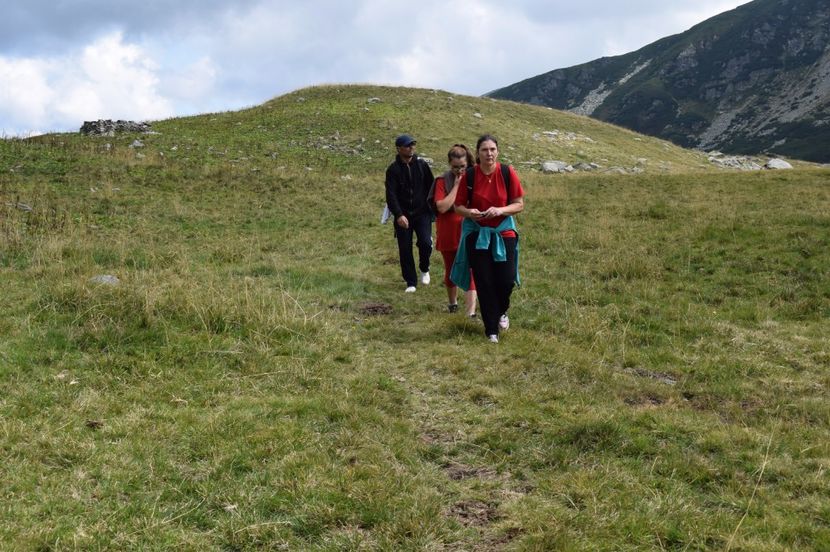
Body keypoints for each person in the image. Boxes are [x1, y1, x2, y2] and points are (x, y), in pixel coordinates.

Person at [451, 134, 524, 343]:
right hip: (477, 233)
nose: (489, 153)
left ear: (497, 152)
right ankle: (491, 329)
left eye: (492, 149)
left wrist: (500, 210)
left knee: (506, 279)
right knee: (484, 281)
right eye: (484, 150)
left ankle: (501, 311)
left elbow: (519, 204)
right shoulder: (470, 176)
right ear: (478, 153)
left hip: (504, 232)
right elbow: (458, 207)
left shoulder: (507, 172)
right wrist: (470, 213)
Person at [385, 134, 435, 292]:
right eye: (407, 145)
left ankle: (424, 268)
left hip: (422, 213)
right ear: (399, 149)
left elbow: (431, 186)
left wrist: (433, 209)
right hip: (403, 214)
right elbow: (390, 195)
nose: (411, 147)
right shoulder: (393, 170)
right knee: (405, 248)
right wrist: (399, 215)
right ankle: (411, 282)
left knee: (426, 243)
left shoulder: (422, 165)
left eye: (413, 144)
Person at [432, 144, 477, 317]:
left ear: (467, 163)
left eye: (462, 167)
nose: (459, 170)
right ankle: (453, 303)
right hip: (448, 232)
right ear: (449, 165)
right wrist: (457, 185)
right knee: (451, 270)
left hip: (469, 230)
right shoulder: (443, 181)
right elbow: (442, 207)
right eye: (455, 167)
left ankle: (470, 312)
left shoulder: (474, 178)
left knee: (472, 269)